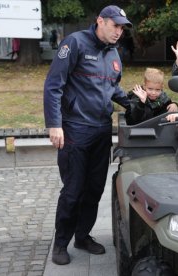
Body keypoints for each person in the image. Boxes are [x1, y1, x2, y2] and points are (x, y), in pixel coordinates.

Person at [43, 5, 132, 266]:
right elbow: (53, 86)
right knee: (73, 191)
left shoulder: (114, 53)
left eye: (122, 27)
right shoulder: (75, 43)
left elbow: (111, 88)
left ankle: (82, 236)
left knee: (93, 190)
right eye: (115, 25)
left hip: (102, 130)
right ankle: (61, 243)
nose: (119, 31)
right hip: (75, 130)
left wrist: (136, 102)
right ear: (100, 21)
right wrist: (54, 124)